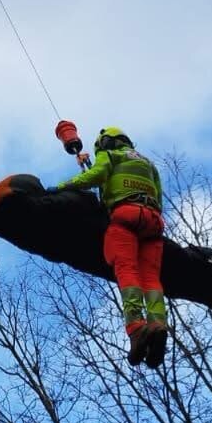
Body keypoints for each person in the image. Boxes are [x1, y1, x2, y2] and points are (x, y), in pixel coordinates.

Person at [53, 126, 167, 368]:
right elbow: (159, 195)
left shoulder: (109, 154)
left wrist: (62, 187)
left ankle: (137, 328)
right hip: (154, 222)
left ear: (104, 143)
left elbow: (95, 177)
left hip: (125, 216)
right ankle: (157, 324)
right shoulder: (148, 163)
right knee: (151, 278)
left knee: (127, 270)